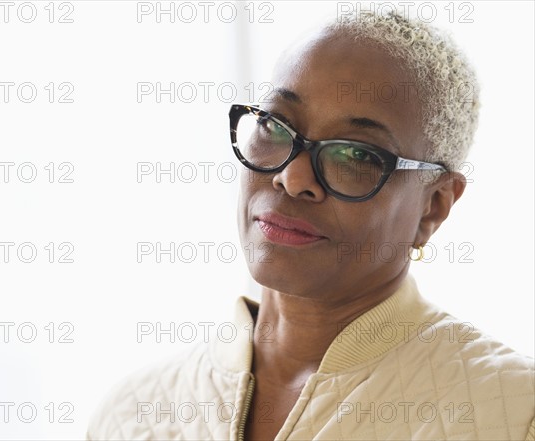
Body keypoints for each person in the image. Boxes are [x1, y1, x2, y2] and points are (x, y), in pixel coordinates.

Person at [86, 10, 535, 441]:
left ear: (432, 206)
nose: (293, 177)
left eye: (357, 153)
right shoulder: (135, 414)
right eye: (275, 124)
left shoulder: (511, 413)